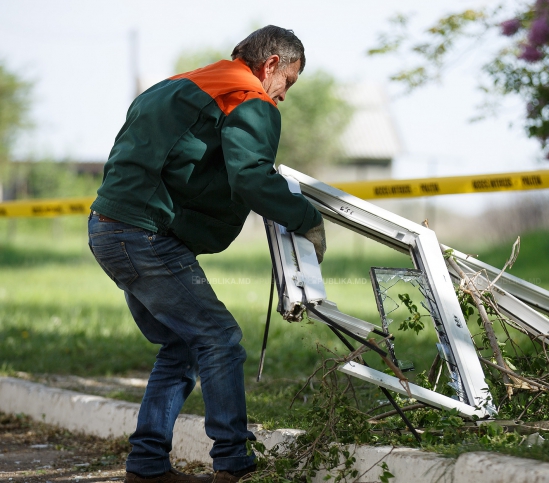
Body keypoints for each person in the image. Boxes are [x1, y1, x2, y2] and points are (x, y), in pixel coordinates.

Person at [87, 26, 326, 483]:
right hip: (144, 236)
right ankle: (235, 465)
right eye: (288, 83)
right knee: (218, 337)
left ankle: (147, 467)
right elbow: (251, 178)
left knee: (180, 345)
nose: (284, 96)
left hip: (107, 228)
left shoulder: (172, 87)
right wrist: (306, 219)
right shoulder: (247, 97)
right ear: (271, 64)